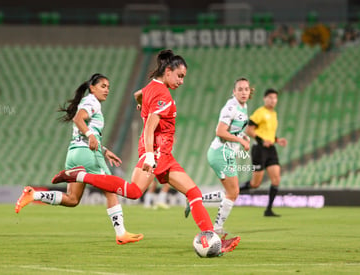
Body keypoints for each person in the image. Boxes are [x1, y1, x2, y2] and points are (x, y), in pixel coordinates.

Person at [50, 49, 240, 253]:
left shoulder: (151, 87)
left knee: (192, 193)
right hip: (157, 152)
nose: (181, 81)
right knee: (134, 191)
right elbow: (150, 127)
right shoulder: (163, 94)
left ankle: (211, 238)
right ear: (168, 71)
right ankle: (81, 175)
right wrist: (150, 154)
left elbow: (137, 95)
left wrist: (142, 107)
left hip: (162, 152)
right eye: (180, 76)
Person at [14, 73, 144, 245]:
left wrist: (104, 150)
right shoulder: (92, 102)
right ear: (92, 88)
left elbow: (84, 129)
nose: (107, 90)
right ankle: (121, 233)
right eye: (103, 86)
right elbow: (78, 119)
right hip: (88, 155)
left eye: (108, 87)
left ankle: (34, 194)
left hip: (74, 153)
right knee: (111, 190)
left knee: (72, 199)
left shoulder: (88, 102)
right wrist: (91, 136)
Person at [185, 78, 252, 237]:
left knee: (232, 192)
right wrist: (240, 140)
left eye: (246, 89)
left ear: (250, 92)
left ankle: (196, 200)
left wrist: (242, 136)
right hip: (220, 152)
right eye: (240, 89)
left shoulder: (244, 106)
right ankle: (216, 228)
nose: (243, 92)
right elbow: (220, 131)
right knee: (233, 192)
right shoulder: (231, 107)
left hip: (226, 153)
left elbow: (234, 129)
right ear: (233, 92)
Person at [239, 88, 287, 217]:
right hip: (259, 149)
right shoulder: (260, 112)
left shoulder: (273, 114)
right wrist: (261, 140)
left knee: (276, 179)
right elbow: (248, 130)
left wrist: (277, 140)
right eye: (270, 97)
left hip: (271, 149)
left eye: (275, 98)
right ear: (264, 99)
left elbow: (267, 134)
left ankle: (268, 210)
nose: (273, 100)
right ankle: (233, 191)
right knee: (255, 184)